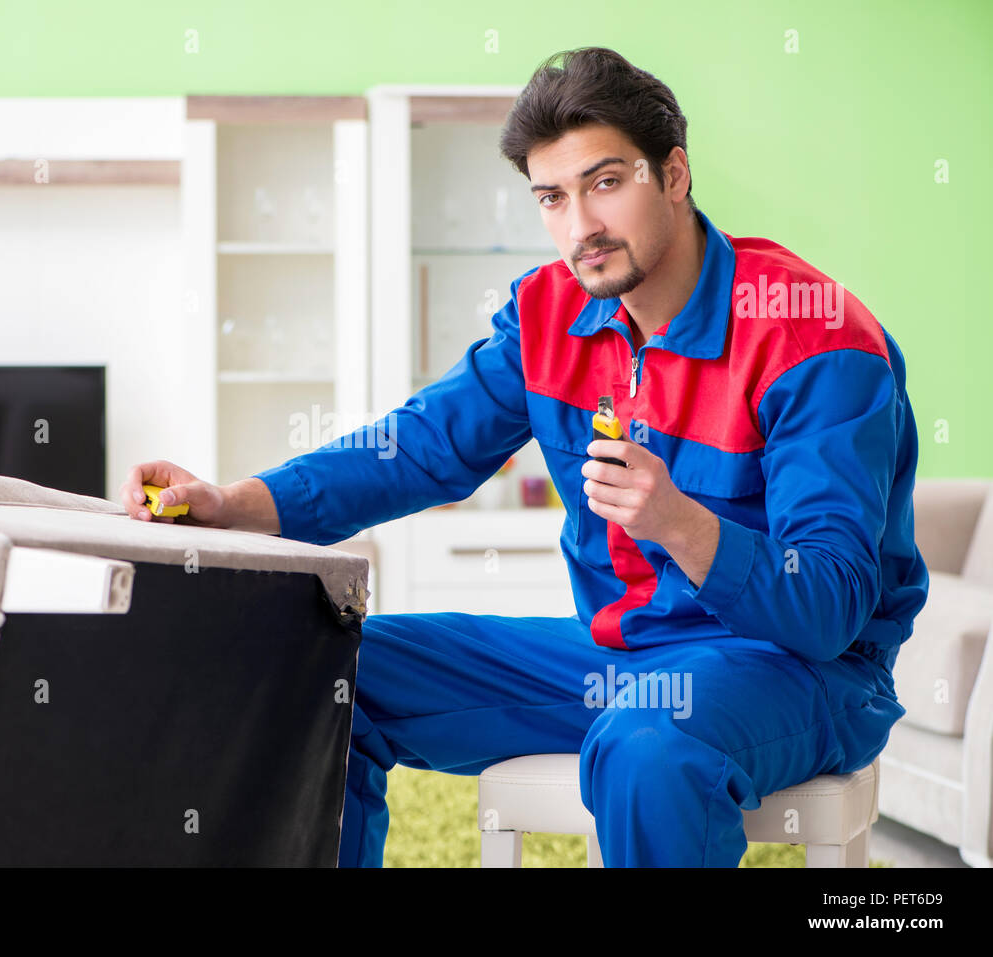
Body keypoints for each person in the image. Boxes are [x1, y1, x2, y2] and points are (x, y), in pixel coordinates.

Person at [121, 47, 929, 867]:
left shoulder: (813, 337)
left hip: (803, 672)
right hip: (620, 656)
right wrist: (235, 501)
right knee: (326, 672)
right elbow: (416, 446)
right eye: (553, 197)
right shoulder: (549, 315)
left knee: (648, 743)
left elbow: (829, 608)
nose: (580, 226)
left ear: (674, 175)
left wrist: (680, 523)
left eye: (606, 183)